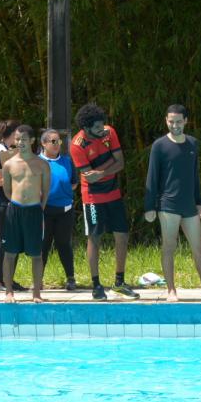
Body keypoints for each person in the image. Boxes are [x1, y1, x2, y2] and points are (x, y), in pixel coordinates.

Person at [143, 105, 201, 302]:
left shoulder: (192, 143)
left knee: (199, 248)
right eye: (171, 121)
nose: (175, 125)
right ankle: (171, 290)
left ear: (186, 121)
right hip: (167, 204)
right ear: (166, 121)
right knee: (169, 247)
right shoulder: (159, 145)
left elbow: (194, 175)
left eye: (179, 121)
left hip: (188, 205)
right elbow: (152, 176)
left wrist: (198, 201)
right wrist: (149, 206)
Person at [69, 103, 140, 301]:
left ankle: (119, 283)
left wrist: (100, 171)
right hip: (92, 196)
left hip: (113, 192)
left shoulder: (109, 132)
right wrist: (110, 165)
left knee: (122, 235)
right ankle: (96, 285)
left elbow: (121, 163)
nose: (102, 130)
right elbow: (90, 178)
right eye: (97, 128)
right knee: (94, 238)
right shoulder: (77, 145)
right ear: (86, 128)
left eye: (103, 125)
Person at [0, 124, 50, 302]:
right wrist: (18, 203)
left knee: (36, 254)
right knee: (10, 253)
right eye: (17, 139)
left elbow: (45, 191)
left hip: (34, 211)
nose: (20, 142)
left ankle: (36, 293)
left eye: (24, 139)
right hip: (14, 211)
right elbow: (7, 191)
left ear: (32, 140)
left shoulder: (42, 164)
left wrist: (39, 207)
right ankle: (9, 292)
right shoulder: (9, 164)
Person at [38, 128, 78, 291]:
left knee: (64, 244)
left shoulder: (67, 161)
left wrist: (61, 192)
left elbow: (74, 183)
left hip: (65, 211)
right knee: (43, 245)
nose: (57, 144)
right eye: (53, 141)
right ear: (43, 143)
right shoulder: (36, 162)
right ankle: (38, 280)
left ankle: (71, 278)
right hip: (43, 211)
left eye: (59, 141)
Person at [0, 119, 20, 293]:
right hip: (0, 203)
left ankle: (8, 280)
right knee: (3, 242)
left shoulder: (6, 150)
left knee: (12, 242)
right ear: (13, 134)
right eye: (18, 134)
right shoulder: (1, 153)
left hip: (7, 202)